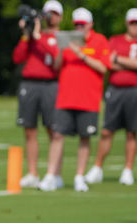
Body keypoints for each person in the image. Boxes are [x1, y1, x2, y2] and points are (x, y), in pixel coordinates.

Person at [39, 8, 109, 192]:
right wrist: (63, 50)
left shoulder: (99, 40)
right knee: (57, 136)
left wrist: (82, 54)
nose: (79, 28)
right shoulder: (67, 40)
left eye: (82, 25)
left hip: (89, 99)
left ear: (90, 25)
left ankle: (79, 176)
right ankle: (51, 175)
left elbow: (103, 67)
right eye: (77, 24)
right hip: (66, 97)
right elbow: (56, 66)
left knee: (85, 138)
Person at [84, 8, 137, 187]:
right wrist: (130, 64)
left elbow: (117, 61)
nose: (135, 26)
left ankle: (128, 170)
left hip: (134, 91)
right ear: (127, 23)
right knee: (107, 131)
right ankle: (98, 168)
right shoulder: (115, 40)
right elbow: (108, 63)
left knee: (132, 132)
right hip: (115, 90)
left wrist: (120, 60)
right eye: (132, 23)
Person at [12, 1, 62, 188]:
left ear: (60, 17)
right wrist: (26, 35)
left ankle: (54, 173)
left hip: (51, 84)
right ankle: (32, 172)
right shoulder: (33, 37)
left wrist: (38, 36)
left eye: (54, 14)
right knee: (29, 129)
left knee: (53, 130)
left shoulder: (60, 37)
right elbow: (18, 57)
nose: (50, 18)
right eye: (48, 14)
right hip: (30, 84)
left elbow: (57, 57)